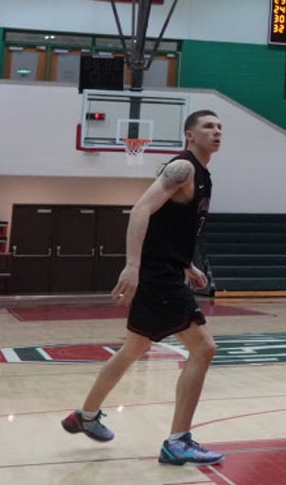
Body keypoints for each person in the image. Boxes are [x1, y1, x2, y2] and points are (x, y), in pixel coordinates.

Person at [61, 111, 226, 465]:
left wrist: (187, 264)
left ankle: (85, 416)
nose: (216, 132)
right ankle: (178, 442)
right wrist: (133, 266)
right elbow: (140, 210)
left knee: (134, 348)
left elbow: (168, 227)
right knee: (204, 349)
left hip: (167, 270)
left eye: (220, 127)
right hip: (158, 276)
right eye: (208, 126)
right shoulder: (182, 168)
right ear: (189, 135)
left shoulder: (202, 174)